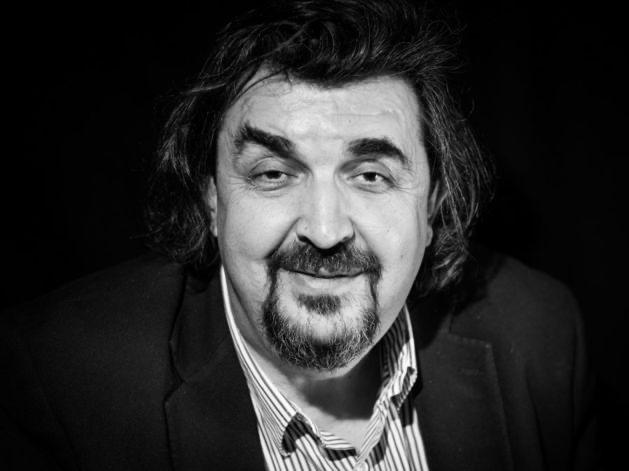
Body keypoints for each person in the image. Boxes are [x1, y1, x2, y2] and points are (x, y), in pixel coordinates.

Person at [1, 0, 597, 469]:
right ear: (212, 199)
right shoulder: (62, 379)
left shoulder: (540, 335)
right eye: (273, 174)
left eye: (371, 175)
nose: (325, 230)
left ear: (433, 204)